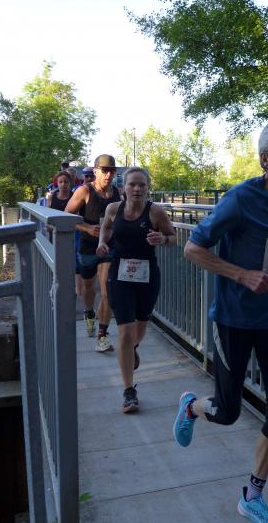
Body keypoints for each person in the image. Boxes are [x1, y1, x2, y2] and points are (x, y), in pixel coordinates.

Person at [172, 118, 268, 523]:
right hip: (233, 320)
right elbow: (192, 249)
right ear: (266, 158)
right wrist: (242, 275)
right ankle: (191, 407)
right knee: (227, 411)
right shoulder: (239, 200)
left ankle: (252, 495)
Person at [96, 168, 176, 413]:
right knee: (125, 333)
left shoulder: (155, 212)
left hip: (147, 277)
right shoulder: (113, 209)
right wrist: (102, 242)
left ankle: (131, 350)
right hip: (120, 275)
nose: (137, 189)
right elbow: (106, 228)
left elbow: (173, 237)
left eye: (142, 185)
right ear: (123, 188)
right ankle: (129, 391)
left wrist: (163, 240)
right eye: (132, 184)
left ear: (148, 188)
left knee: (138, 333)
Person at [65, 154, 121, 352]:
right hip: (88, 248)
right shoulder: (85, 191)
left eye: (112, 171)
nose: (108, 175)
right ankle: (89, 312)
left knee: (107, 291)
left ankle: (102, 336)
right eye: (104, 170)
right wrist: (87, 228)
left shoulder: (118, 193)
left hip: (108, 247)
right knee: (88, 289)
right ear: (96, 171)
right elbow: (65, 215)